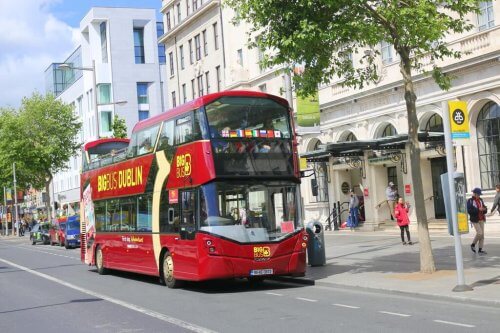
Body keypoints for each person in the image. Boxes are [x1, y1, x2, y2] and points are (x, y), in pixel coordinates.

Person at [467, 187, 487, 254]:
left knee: (482, 235)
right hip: (475, 219)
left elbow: (484, 207)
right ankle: (473, 244)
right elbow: (469, 211)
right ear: (474, 194)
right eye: (478, 194)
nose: (479, 196)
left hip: (481, 219)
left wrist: (484, 209)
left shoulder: (481, 200)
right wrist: (478, 209)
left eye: (479, 195)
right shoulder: (470, 201)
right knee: (479, 233)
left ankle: (480, 249)